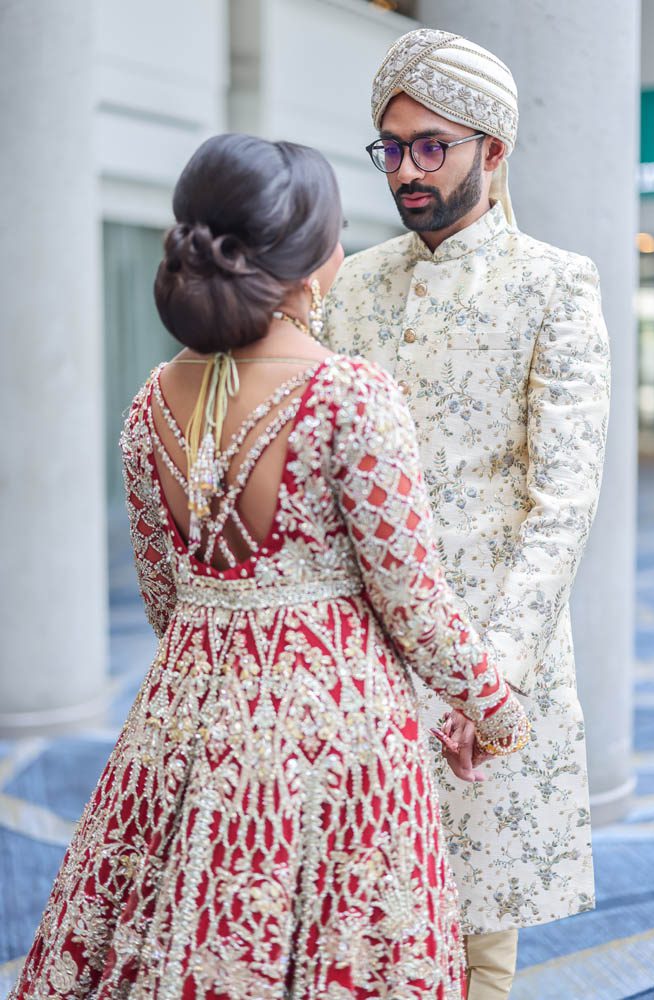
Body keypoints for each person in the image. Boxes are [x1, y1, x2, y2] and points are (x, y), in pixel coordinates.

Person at [11, 132, 528, 1000]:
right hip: (338, 735)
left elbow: (163, 597)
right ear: (308, 264)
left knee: (170, 934)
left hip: (182, 721)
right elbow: (414, 601)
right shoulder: (348, 394)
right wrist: (497, 710)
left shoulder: (149, 403)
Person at [322, 28, 611, 1000]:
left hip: (489, 652)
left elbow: (562, 500)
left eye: (429, 146)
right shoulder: (353, 283)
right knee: (360, 920)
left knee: (478, 933)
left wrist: (490, 677)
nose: (404, 170)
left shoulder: (553, 284)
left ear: (493, 150)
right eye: (390, 147)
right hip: (360, 661)